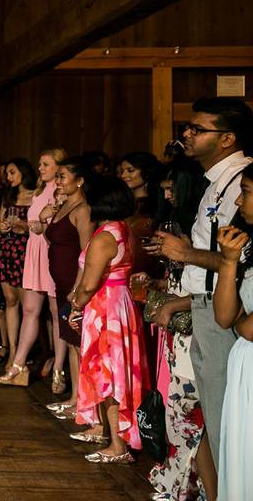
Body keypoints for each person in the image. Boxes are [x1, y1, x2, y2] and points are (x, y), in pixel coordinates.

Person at [151, 97, 253, 477]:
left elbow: (241, 257)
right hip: (204, 307)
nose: (186, 135)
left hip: (224, 312)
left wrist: (188, 253)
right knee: (210, 415)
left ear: (227, 139)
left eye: (197, 129)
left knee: (227, 420)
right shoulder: (214, 183)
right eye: (187, 128)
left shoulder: (240, 184)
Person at [68, 177, 148, 464]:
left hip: (106, 309)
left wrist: (76, 305)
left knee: (109, 375)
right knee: (117, 373)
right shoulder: (123, 230)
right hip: (121, 304)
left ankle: (117, 445)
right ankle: (115, 436)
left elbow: (89, 284)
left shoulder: (104, 237)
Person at [146, 157, 211, 501]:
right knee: (177, 402)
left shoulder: (197, 229)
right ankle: (179, 477)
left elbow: (204, 287)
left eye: (173, 189)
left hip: (194, 322)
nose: (168, 195)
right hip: (177, 323)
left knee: (188, 405)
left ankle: (192, 484)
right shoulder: (179, 223)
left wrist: (173, 303)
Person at [0, 149, 66, 386]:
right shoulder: (39, 191)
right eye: (39, 164)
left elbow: (58, 224)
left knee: (57, 314)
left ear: (59, 168)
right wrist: (22, 226)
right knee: (30, 310)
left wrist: (42, 223)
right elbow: (34, 224)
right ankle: (18, 364)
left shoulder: (61, 191)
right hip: (34, 250)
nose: (40, 168)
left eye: (46, 164)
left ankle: (59, 368)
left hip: (51, 251)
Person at [212, 172, 253, 500]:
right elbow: (226, 317)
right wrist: (228, 261)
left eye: (247, 192)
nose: (239, 201)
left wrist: (243, 325)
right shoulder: (248, 247)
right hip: (245, 363)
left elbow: (248, 327)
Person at [43, 157, 94, 409]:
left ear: (80, 180)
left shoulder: (82, 210)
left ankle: (85, 402)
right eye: (58, 176)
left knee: (79, 341)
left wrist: (78, 288)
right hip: (60, 283)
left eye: (63, 176)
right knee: (72, 342)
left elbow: (87, 252)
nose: (58, 181)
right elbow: (52, 238)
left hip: (74, 284)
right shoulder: (61, 205)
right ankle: (75, 397)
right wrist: (45, 219)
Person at [0, 158, 35, 367]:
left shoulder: (36, 196)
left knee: (28, 306)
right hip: (7, 249)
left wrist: (24, 225)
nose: (8, 177)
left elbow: (41, 226)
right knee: (9, 301)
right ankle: (13, 350)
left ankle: (24, 355)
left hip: (27, 251)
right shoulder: (8, 196)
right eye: (7, 173)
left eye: (12, 172)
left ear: (24, 172)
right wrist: (5, 226)